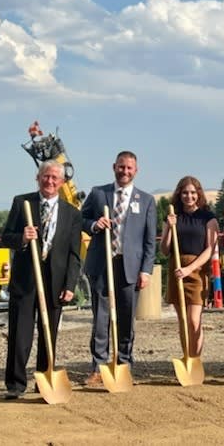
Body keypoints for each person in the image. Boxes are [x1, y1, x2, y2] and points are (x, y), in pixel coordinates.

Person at [0, 161, 83, 399]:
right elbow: (6, 237)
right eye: (46, 177)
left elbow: (74, 254)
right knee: (20, 333)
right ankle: (15, 385)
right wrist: (22, 238)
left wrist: (70, 285)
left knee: (49, 333)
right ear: (38, 178)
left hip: (54, 281)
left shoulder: (72, 213)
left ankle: (44, 379)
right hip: (26, 280)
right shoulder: (22, 203)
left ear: (62, 182)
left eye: (55, 178)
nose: (50, 181)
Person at [81, 151, 156, 386]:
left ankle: (124, 364)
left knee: (126, 319)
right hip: (102, 264)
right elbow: (79, 220)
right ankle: (99, 367)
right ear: (114, 167)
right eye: (121, 167)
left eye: (129, 168)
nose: (125, 171)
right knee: (101, 318)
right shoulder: (98, 193)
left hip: (130, 267)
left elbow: (149, 240)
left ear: (136, 170)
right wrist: (94, 224)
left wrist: (146, 270)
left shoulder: (146, 201)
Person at [161, 176, 219, 357]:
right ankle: (186, 357)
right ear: (179, 194)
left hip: (197, 271)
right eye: (185, 192)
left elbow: (210, 249)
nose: (189, 196)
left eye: (193, 192)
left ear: (199, 194)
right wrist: (170, 228)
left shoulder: (208, 218)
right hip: (176, 269)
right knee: (183, 320)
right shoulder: (172, 217)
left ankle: (195, 359)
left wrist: (190, 268)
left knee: (194, 320)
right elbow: (164, 249)